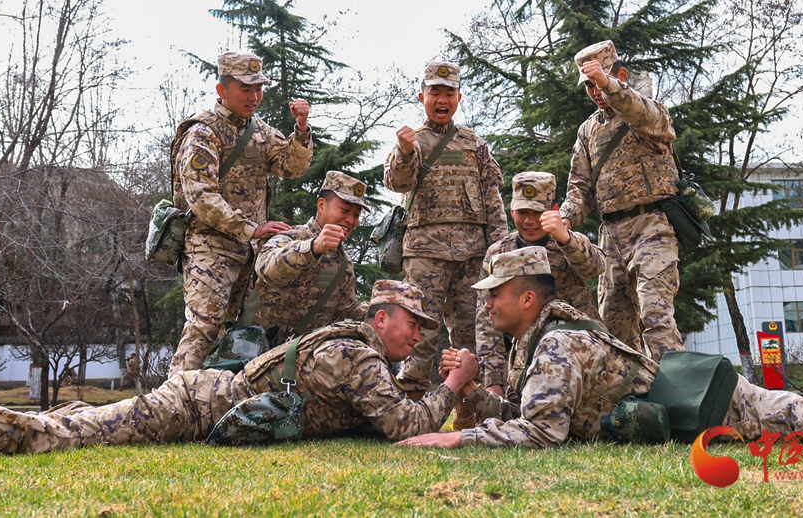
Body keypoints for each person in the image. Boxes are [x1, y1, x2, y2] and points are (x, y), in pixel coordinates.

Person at [398, 248, 803, 449]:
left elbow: (543, 432)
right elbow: (532, 411)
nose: (486, 303)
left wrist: (456, 437)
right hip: (696, 409)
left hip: (724, 408)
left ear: (526, 298)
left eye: (494, 294)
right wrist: (471, 391)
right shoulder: (533, 343)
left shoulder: (557, 343)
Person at [0, 281, 480, 456]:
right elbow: (405, 426)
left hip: (205, 396)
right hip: (194, 406)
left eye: (423, 328)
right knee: (66, 434)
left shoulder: (358, 349)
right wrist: (454, 383)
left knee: (84, 418)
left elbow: (386, 411)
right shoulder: (359, 356)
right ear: (381, 318)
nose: (418, 336)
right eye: (412, 324)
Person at [168, 52, 313, 375]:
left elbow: (291, 166)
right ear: (222, 90)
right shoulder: (203, 132)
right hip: (209, 247)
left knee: (239, 336)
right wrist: (251, 229)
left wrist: (301, 129)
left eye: (258, 89)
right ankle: (173, 399)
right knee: (204, 328)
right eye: (245, 89)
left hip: (248, 252)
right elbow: (202, 198)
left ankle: (218, 397)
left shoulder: (260, 131)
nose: (254, 97)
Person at [383, 62, 507, 429]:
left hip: (472, 256)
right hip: (425, 254)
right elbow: (397, 183)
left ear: (459, 97)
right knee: (418, 333)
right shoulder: (413, 141)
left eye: (448, 93)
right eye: (434, 92)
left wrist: (499, 250)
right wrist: (405, 151)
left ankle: (469, 412)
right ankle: (411, 412)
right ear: (422, 96)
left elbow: (492, 199)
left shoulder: (474, 144)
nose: (441, 99)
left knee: (472, 334)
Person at [558, 40, 684, 362]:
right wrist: (566, 218)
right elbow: (579, 187)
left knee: (655, 313)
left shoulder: (646, 112)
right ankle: (633, 391)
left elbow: (645, 115)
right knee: (614, 331)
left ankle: (679, 388)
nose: (596, 91)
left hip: (652, 227)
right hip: (611, 237)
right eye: (589, 85)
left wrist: (608, 85)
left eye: (599, 80)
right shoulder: (588, 131)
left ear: (621, 75)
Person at [476, 171, 608, 397]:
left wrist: (565, 238)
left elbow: (596, 267)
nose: (529, 221)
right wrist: (493, 379)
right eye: (522, 212)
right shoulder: (498, 253)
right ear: (511, 210)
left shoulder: (568, 242)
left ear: (554, 210)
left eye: (537, 212)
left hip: (578, 349)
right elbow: (486, 317)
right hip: (522, 356)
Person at [250, 170, 369, 341]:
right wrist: (313, 248)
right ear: (321, 205)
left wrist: (377, 310)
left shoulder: (343, 263)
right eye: (344, 210)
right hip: (254, 348)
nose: (351, 220)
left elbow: (342, 314)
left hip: (301, 354)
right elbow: (268, 270)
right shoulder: (288, 237)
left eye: (356, 215)